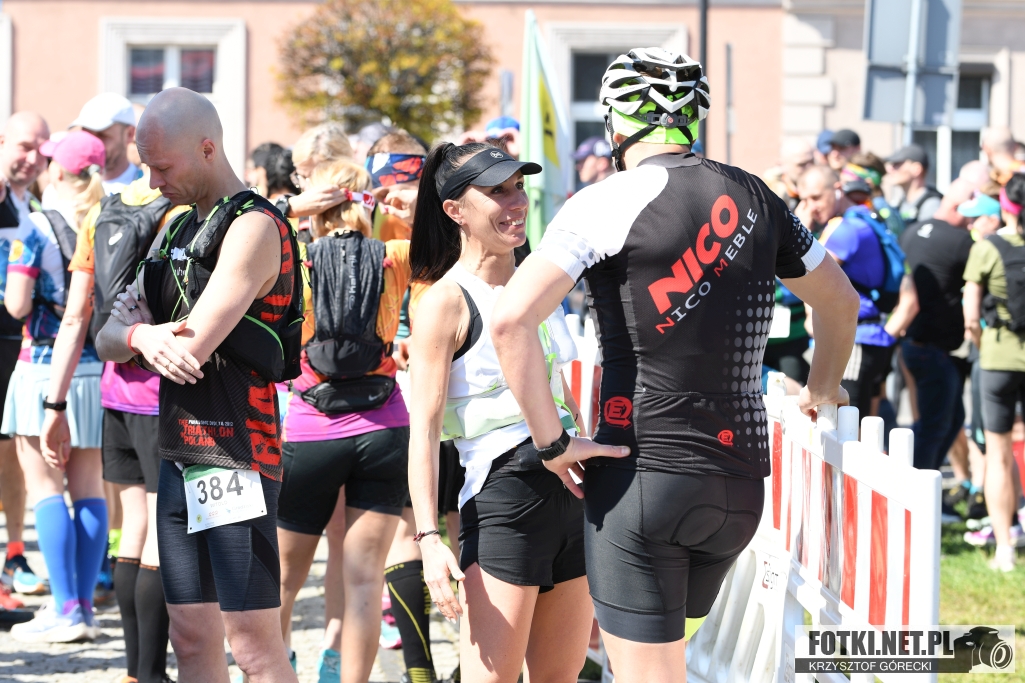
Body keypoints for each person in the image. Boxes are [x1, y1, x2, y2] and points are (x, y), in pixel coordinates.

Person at [489, 48, 859, 683]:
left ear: (616, 121)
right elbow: (840, 301)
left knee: (650, 673)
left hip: (641, 474)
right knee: (674, 664)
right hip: (738, 484)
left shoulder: (603, 200)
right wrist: (822, 388)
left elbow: (509, 321)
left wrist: (552, 444)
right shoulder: (756, 194)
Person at [94, 87, 302, 683]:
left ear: (207, 149)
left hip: (237, 455)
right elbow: (107, 337)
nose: (152, 181)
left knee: (254, 647)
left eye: (162, 167)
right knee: (188, 637)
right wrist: (141, 336)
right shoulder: (177, 226)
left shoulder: (254, 226)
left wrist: (144, 335)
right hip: (179, 454)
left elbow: (190, 350)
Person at [408, 141, 594, 683]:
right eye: (496, 192)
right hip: (504, 499)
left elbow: (561, 391)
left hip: (574, 496)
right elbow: (423, 431)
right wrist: (429, 540)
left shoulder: (540, 282)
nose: (516, 203)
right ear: (455, 210)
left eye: (518, 188)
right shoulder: (445, 301)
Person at [41, 169, 185, 681]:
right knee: (159, 533)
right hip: (161, 391)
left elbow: (76, 318)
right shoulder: (182, 210)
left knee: (133, 530)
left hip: (113, 389)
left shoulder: (103, 211)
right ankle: (151, 672)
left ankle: (133, 672)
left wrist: (54, 404)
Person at [276, 159, 411, 683]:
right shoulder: (394, 256)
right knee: (365, 582)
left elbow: (227, 240)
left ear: (317, 205)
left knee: (283, 580)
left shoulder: (296, 260)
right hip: (384, 425)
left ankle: (272, 672)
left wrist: (288, 210)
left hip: (312, 424)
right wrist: (411, 208)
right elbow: (459, 242)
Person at [5, 131, 108, 643]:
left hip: (43, 367)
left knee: (46, 488)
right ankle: (84, 606)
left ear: (59, 172)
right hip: (96, 371)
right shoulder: (110, 221)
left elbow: (17, 304)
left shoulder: (35, 228)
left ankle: (65, 608)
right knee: (90, 489)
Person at [814, 165, 918, 419]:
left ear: (838, 190)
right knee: (864, 422)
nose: (811, 205)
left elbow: (807, 277)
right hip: (871, 336)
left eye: (815, 197)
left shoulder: (848, 229)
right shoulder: (872, 222)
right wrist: (885, 336)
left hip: (856, 340)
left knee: (848, 425)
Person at [962, 172, 1025, 572]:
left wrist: (984, 346)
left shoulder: (987, 248)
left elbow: (971, 317)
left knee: (998, 454)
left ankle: (1005, 547)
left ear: (1005, 206)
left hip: (999, 359)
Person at [0, 111, 50, 599]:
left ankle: (13, 554)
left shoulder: (33, 204)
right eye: (24, 147)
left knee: (13, 450)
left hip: (19, 342)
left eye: (42, 149)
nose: (33, 158)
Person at [899, 184, 977, 472]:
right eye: (969, 217)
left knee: (950, 420)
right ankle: (916, 489)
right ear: (956, 208)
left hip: (913, 343)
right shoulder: (961, 241)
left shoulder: (911, 232)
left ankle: (923, 483)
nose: (971, 223)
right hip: (932, 348)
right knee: (935, 426)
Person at [72, 93, 143, 194]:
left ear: (129, 134)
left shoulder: (148, 188)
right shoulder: (65, 186)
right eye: (87, 135)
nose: (92, 144)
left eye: (102, 135)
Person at [885, 144, 942, 223]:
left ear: (916, 169)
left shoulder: (931, 204)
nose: (890, 169)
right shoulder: (899, 203)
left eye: (897, 164)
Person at [763, 138, 815, 211]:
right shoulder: (771, 196)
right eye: (802, 164)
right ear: (781, 164)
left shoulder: (824, 187)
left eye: (812, 162)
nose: (809, 168)